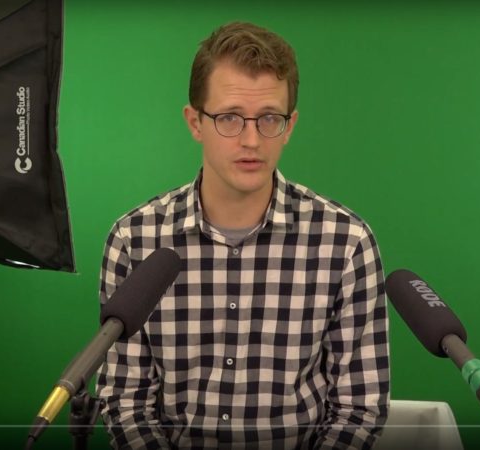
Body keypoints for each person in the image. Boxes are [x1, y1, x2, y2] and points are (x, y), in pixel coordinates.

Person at [96, 21, 389, 450]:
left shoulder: (346, 243)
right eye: (229, 118)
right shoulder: (133, 240)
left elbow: (358, 408)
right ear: (195, 122)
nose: (251, 140)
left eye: (269, 118)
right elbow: (126, 401)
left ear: (290, 126)